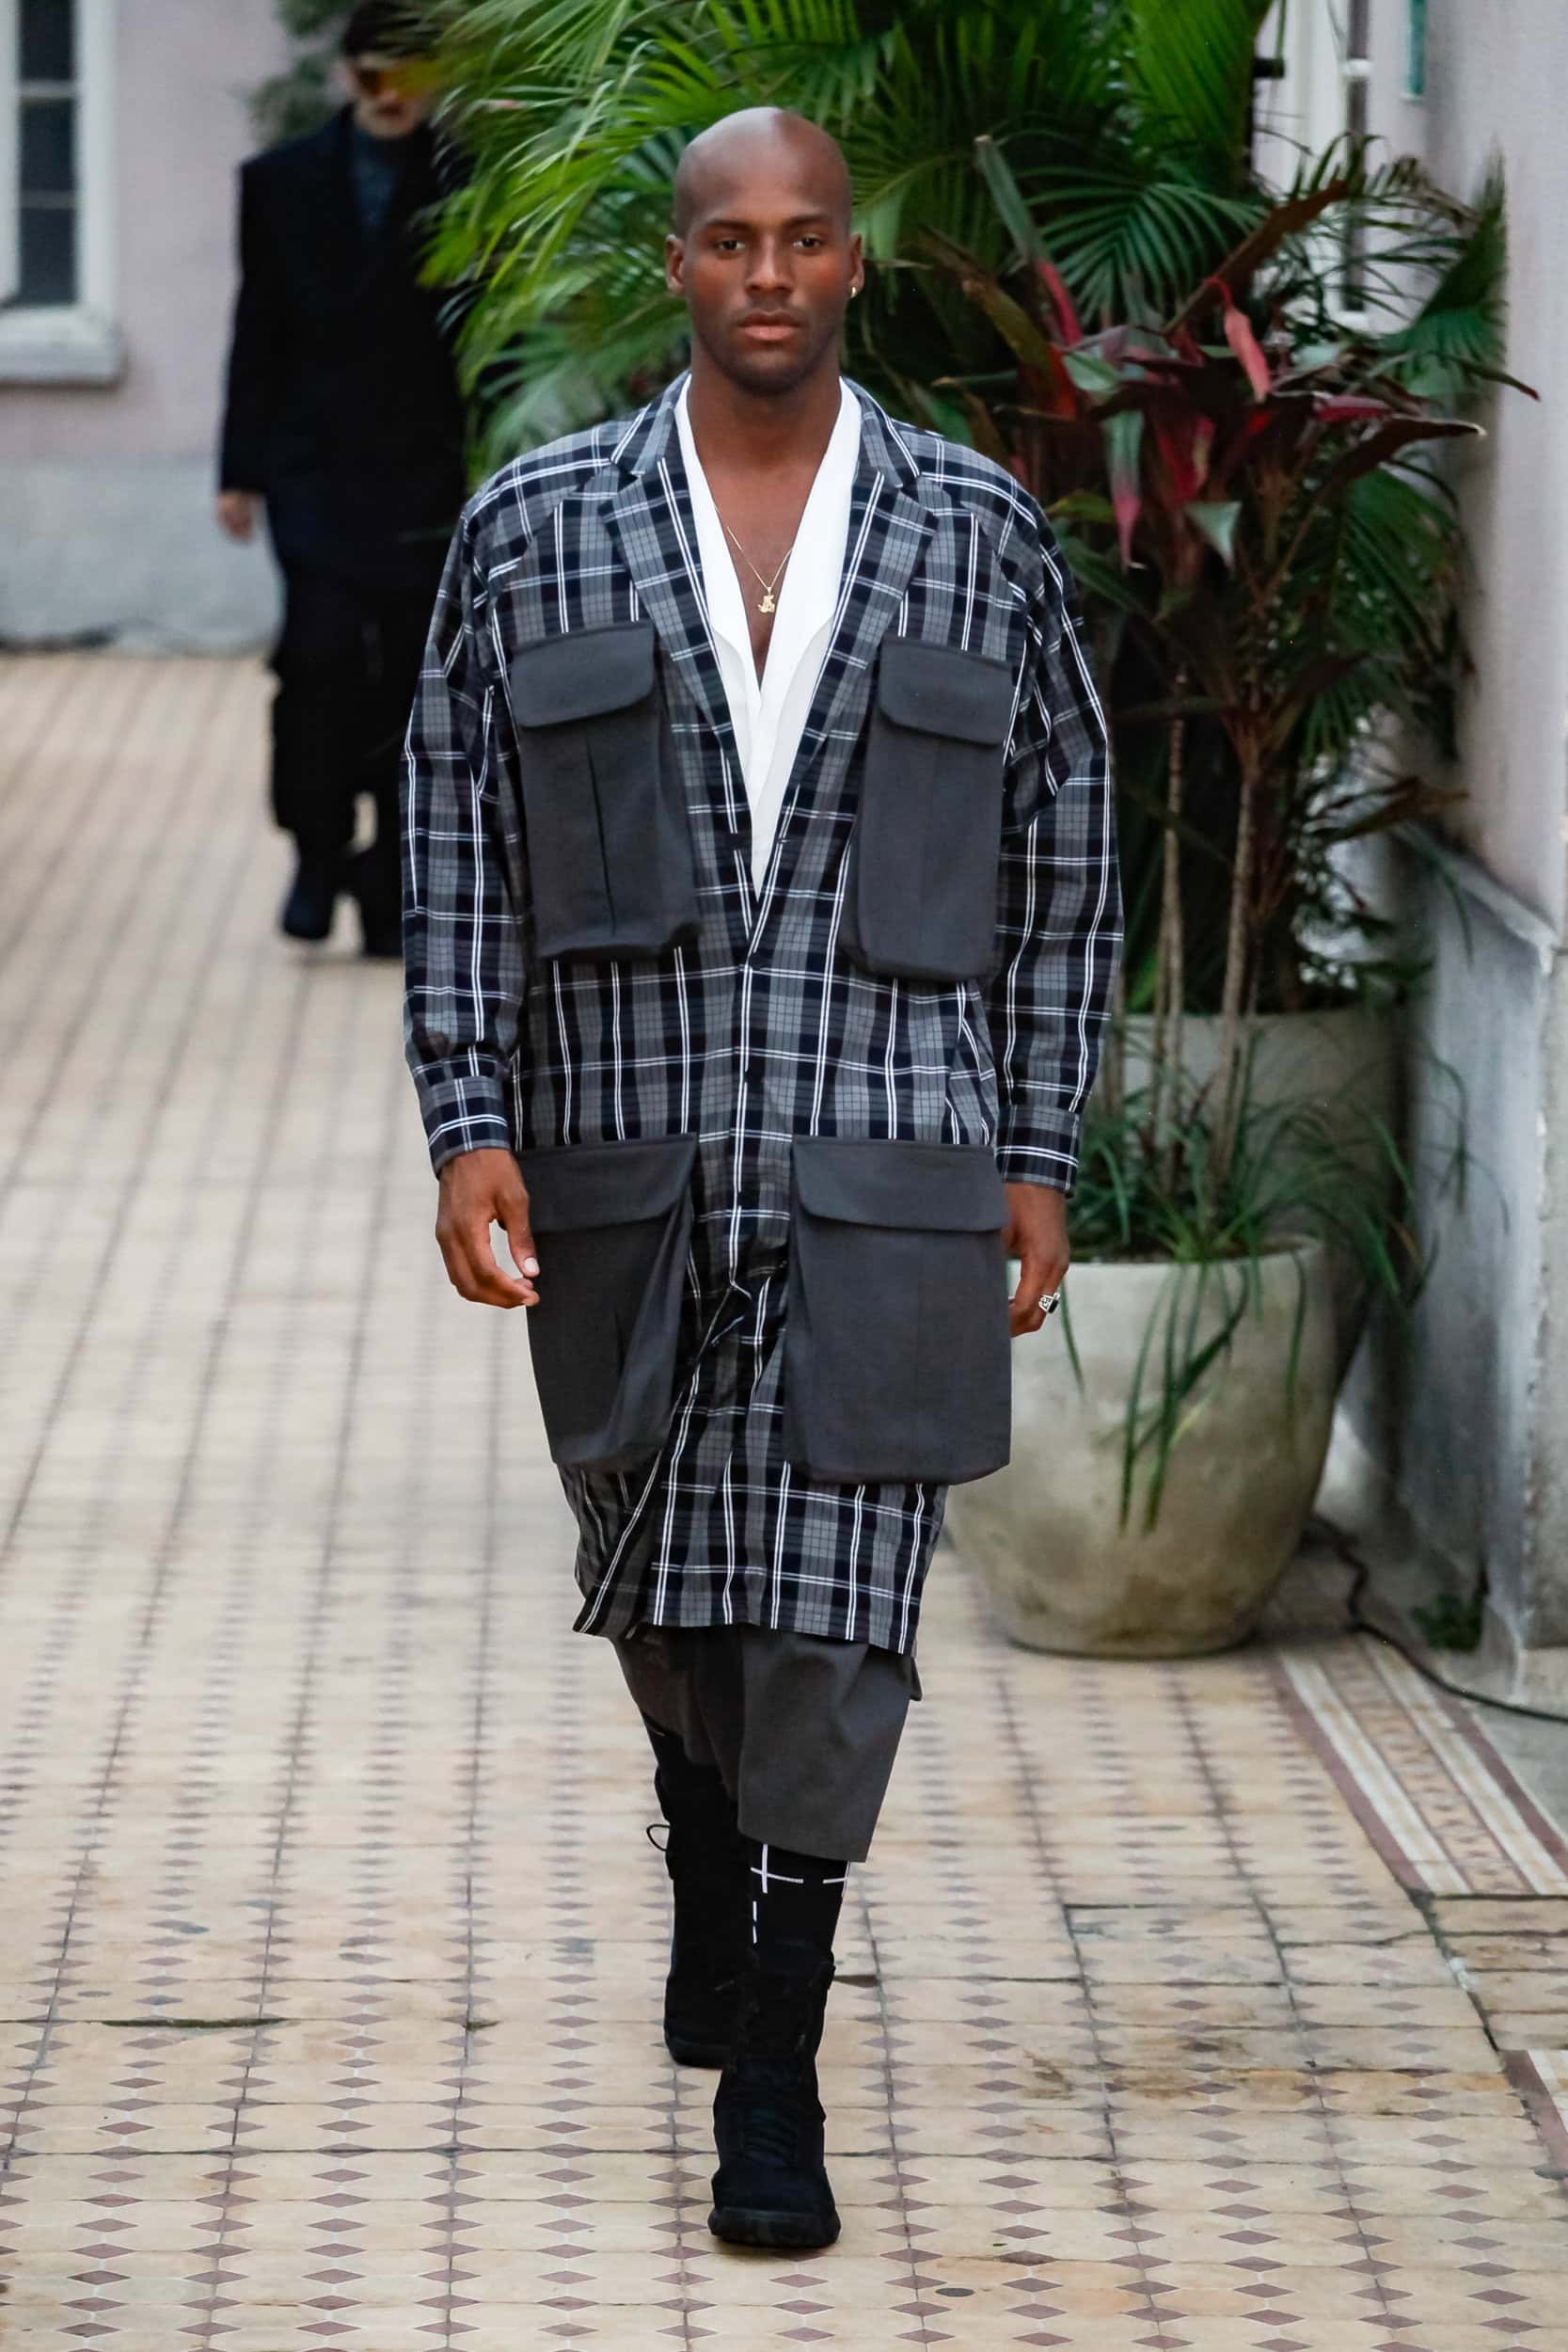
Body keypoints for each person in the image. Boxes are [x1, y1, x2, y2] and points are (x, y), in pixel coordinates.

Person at [402, 108, 1120, 2249]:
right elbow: (457, 837)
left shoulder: (973, 535)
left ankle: (780, 2067)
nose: (773, 274)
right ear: (678, 266)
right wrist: (465, 1118)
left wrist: (1036, 1146)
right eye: (731, 240)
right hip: (622, 1166)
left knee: (840, 1611)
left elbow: (1065, 853)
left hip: (890, 1160)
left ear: (852, 265)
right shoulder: (539, 530)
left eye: (807, 238)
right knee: (664, 1592)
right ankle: (701, 1833)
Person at [217, 1, 467, 956]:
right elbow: (258, 327)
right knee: (317, 660)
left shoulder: (464, 184)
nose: (392, 95)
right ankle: (317, 849)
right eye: (374, 75)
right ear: (345, 75)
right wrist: (239, 469)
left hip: (425, 475)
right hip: (312, 468)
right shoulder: (278, 183)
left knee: (412, 677)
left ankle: (390, 880)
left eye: (411, 76)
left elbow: (493, 343)